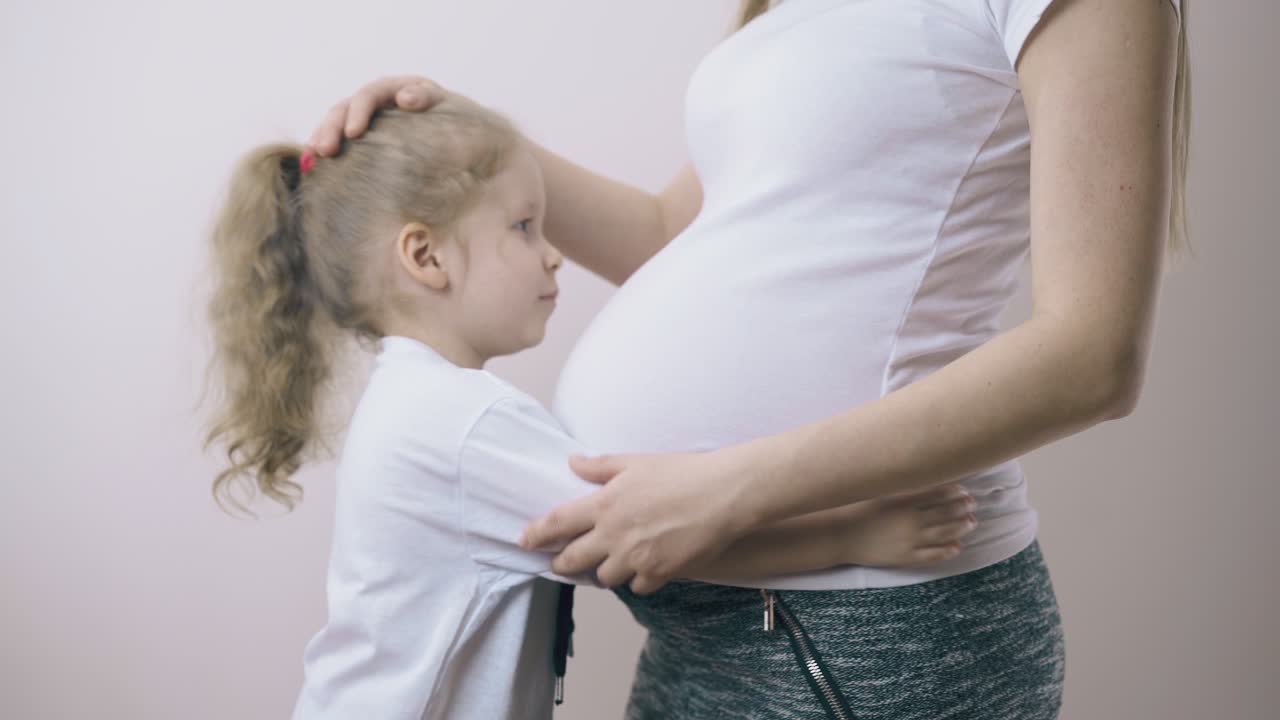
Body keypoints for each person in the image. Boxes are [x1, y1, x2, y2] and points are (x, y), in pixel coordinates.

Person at [310, 0, 1189, 715]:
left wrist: (724, 490)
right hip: (711, 623)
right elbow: (671, 236)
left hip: (864, 616)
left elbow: (1094, 356)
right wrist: (461, 147)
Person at [204, 96, 979, 718]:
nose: (551, 252)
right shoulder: (457, 425)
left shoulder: (420, 403)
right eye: (521, 227)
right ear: (425, 256)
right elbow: (651, 542)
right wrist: (854, 530)